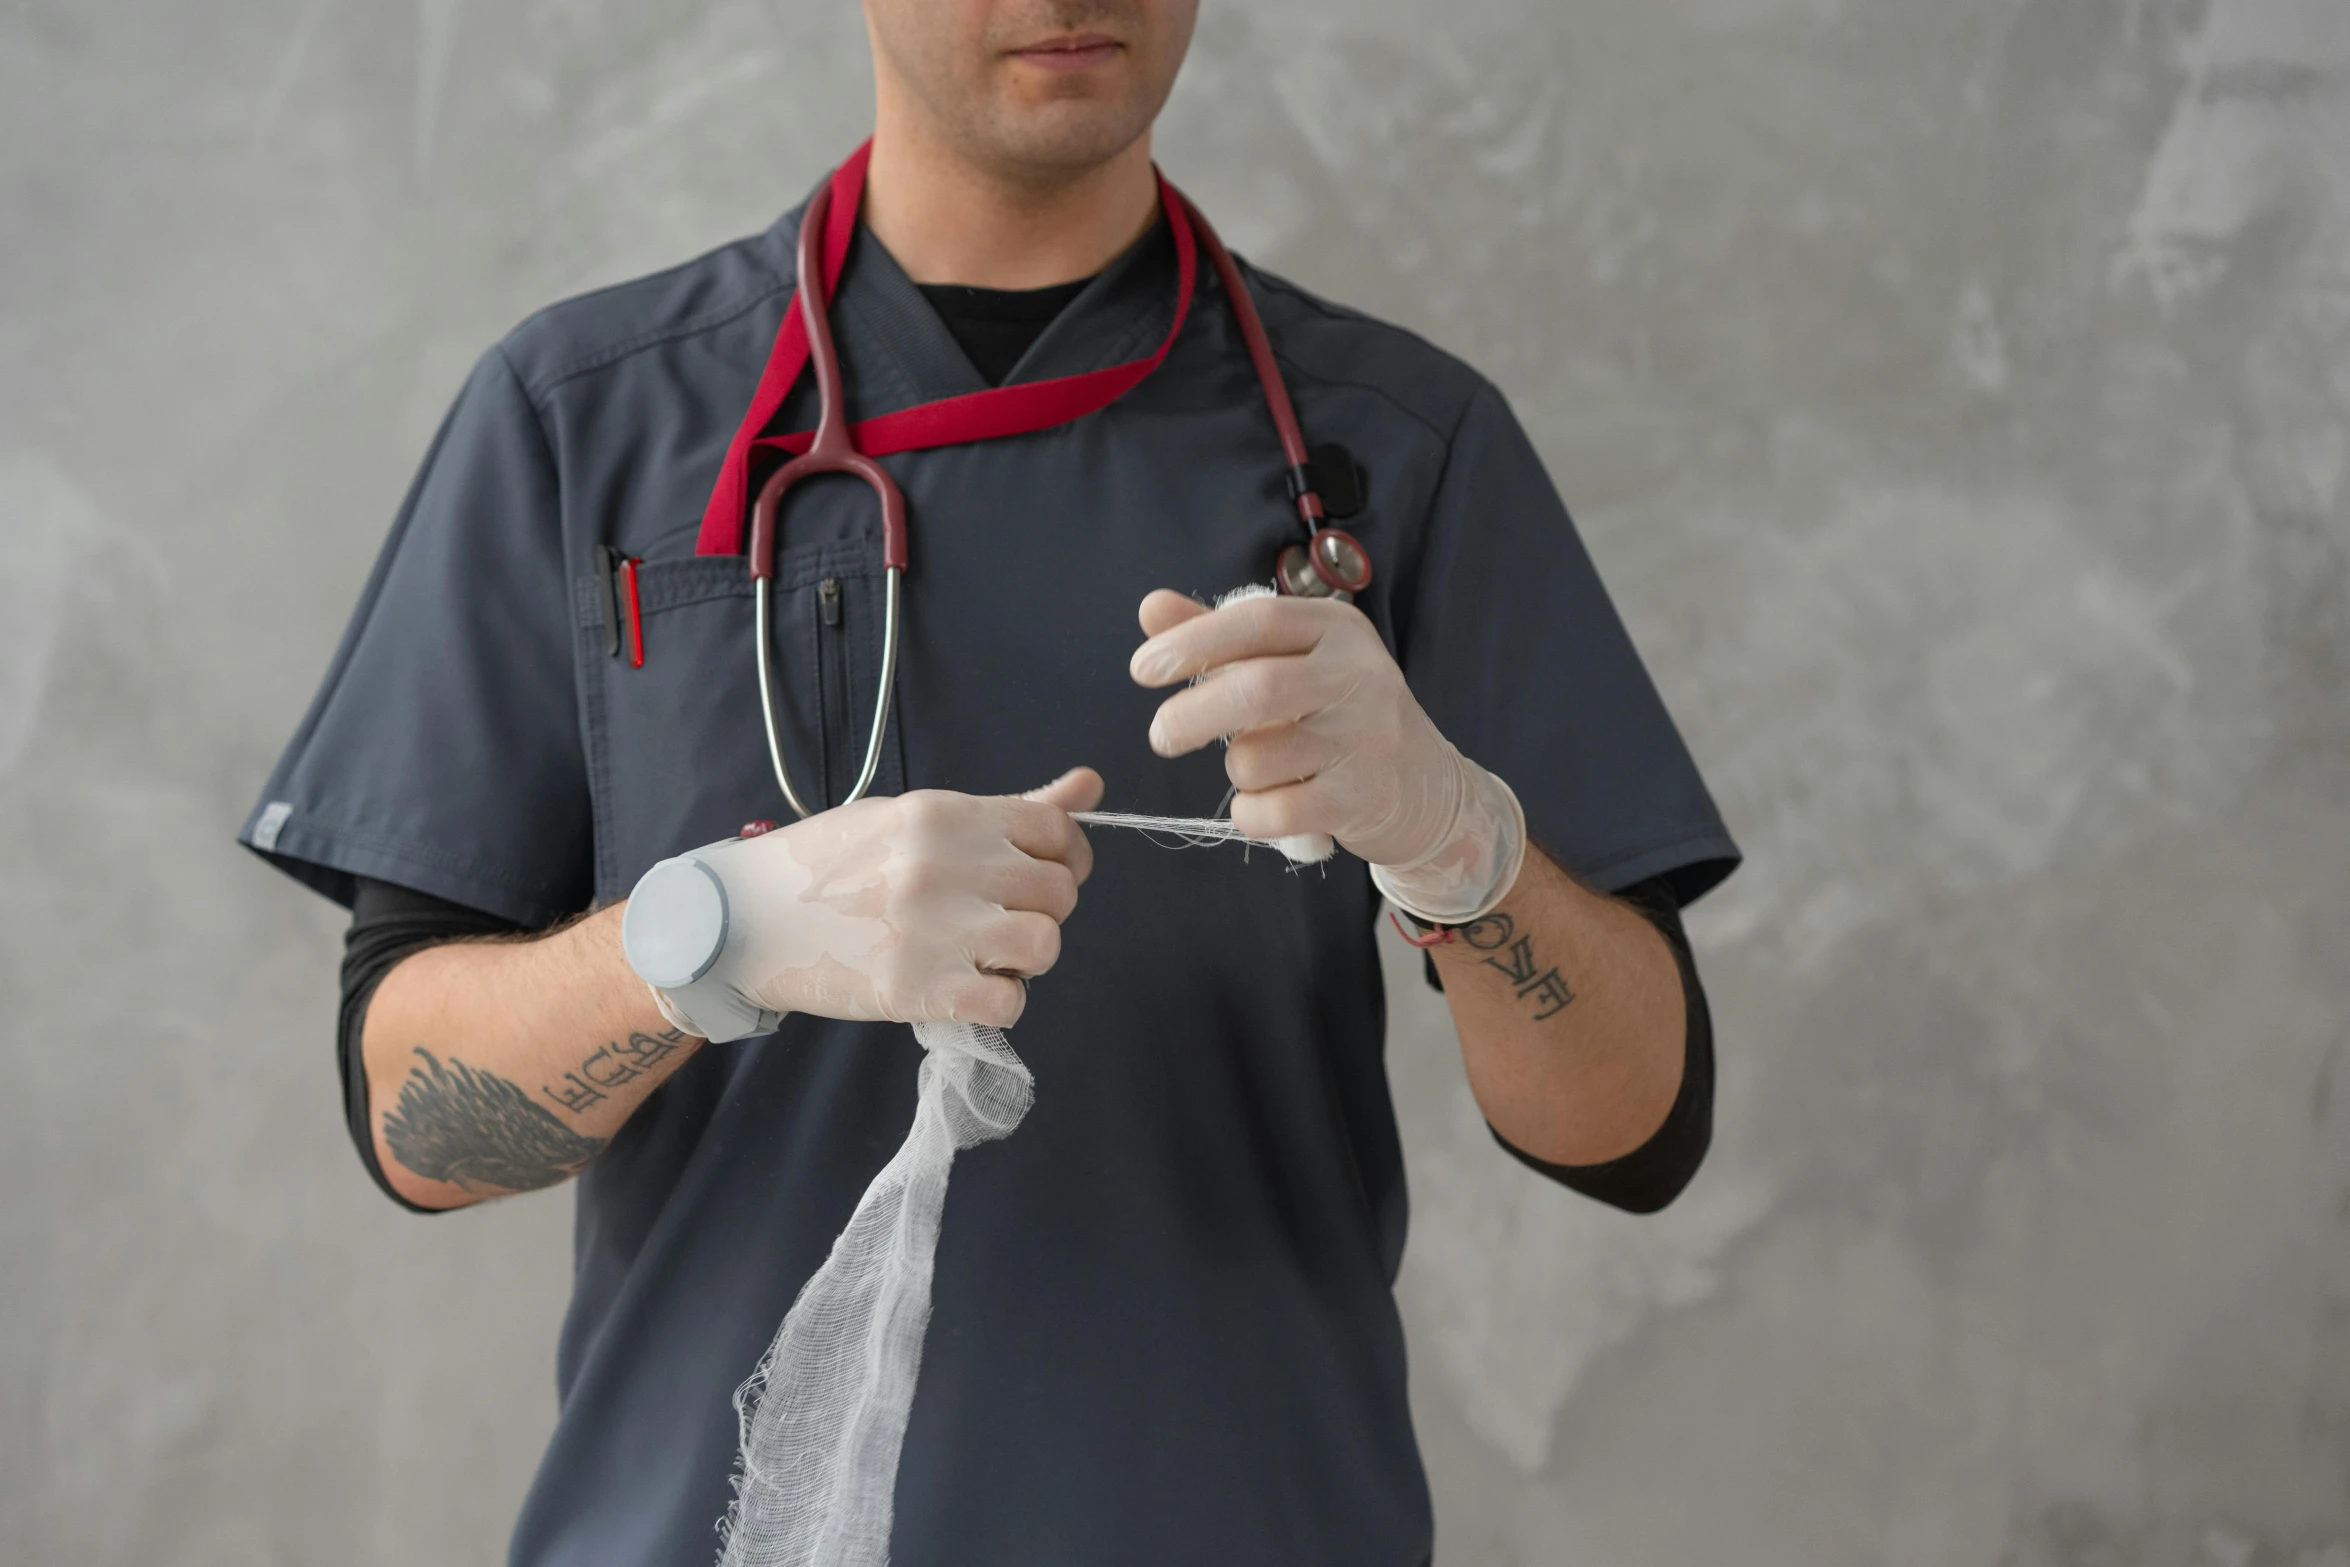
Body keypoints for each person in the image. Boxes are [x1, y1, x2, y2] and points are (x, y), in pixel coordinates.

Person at [241, 2, 1739, 1561]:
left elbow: (1632, 1131)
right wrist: (704, 938)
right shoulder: (588, 424)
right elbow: (413, 1128)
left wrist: (1461, 846)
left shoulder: (1391, 453)